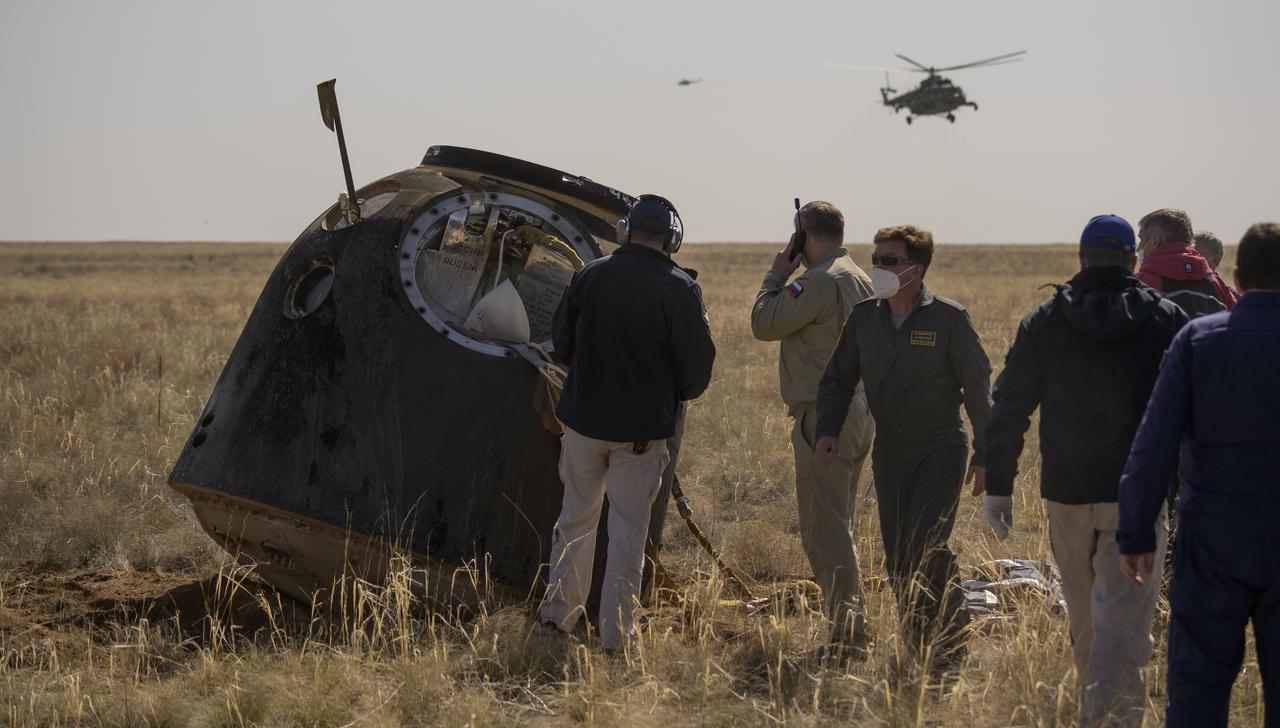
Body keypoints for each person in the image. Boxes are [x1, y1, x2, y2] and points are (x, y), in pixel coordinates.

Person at [984, 215, 1188, 726]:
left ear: (1080, 260)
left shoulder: (1045, 319)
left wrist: (1000, 488)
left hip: (1067, 497)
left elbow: (1009, 406)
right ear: (1133, 261)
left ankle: (1097, 715)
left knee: (1088, 627)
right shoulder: (1167, 320)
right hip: (1138, 501)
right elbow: (1193, 415)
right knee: (1124, 629)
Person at [1118, 222, 1280, 727]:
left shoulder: (1198, 339)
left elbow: (1153, 442)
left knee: (1198, 683)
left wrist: (1136, 530)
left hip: (1212, 535)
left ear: (1235, 274)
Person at [540, 195, 716, 651]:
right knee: (627, 534)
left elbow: (561, 343)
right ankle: (617, 636)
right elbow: (696, 372)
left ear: (626, 230)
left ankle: (559, 617)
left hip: (582, 427)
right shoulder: (681, 288)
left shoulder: (590, 276)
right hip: (640, 434)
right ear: (671, 237)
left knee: (574, 521)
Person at [815, 225, 992, 667]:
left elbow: (978, 390)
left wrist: (989, 455)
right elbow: (838, 379)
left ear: (917, 269)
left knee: (924, 544)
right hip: (890, 454)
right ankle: (918, 641)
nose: (878, 268)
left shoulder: (949, 319)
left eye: (889, 261)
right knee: (898, 558)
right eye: (876, 259)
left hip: (941, 449)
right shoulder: (864, 318)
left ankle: (949, 640)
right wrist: (827, 431)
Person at [750, 200, 875, 653]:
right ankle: (850, 624)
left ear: (803, 237)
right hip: (860, 411)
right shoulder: (859, 276)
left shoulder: (818, 282)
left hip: (826, 416)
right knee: (837, 523)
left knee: (824, 529)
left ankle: (849, 636)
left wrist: (776, 275)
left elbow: (763, 323)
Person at [1136, 208, 1238, 316]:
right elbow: (1237, 320)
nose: (1138, 248)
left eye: (1141, 240)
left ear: (1154, 241)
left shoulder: (1141, 284)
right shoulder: (1215, 283)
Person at [1193, 230, 1242, 299]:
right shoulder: (1179, 287)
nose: (1188, 257)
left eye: (1195, 254)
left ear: (1215, 261)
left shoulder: (1230, 297)